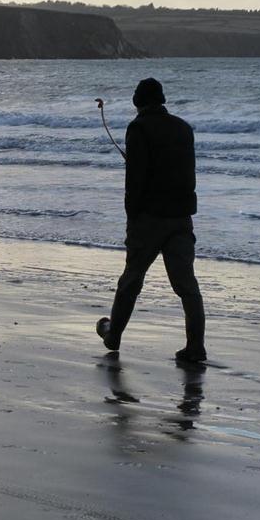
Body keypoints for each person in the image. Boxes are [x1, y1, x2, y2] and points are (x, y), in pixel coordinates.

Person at [96, 78, 206, 362]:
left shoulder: (138, 128)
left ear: (139, 101)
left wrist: (132, 216)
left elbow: (135, 180)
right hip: (181, 217)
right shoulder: (184, 128)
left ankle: (113, 335)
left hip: (149, 218)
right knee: (186, 285)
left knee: (132, 279)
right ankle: (196, 346)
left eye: (135, 94)